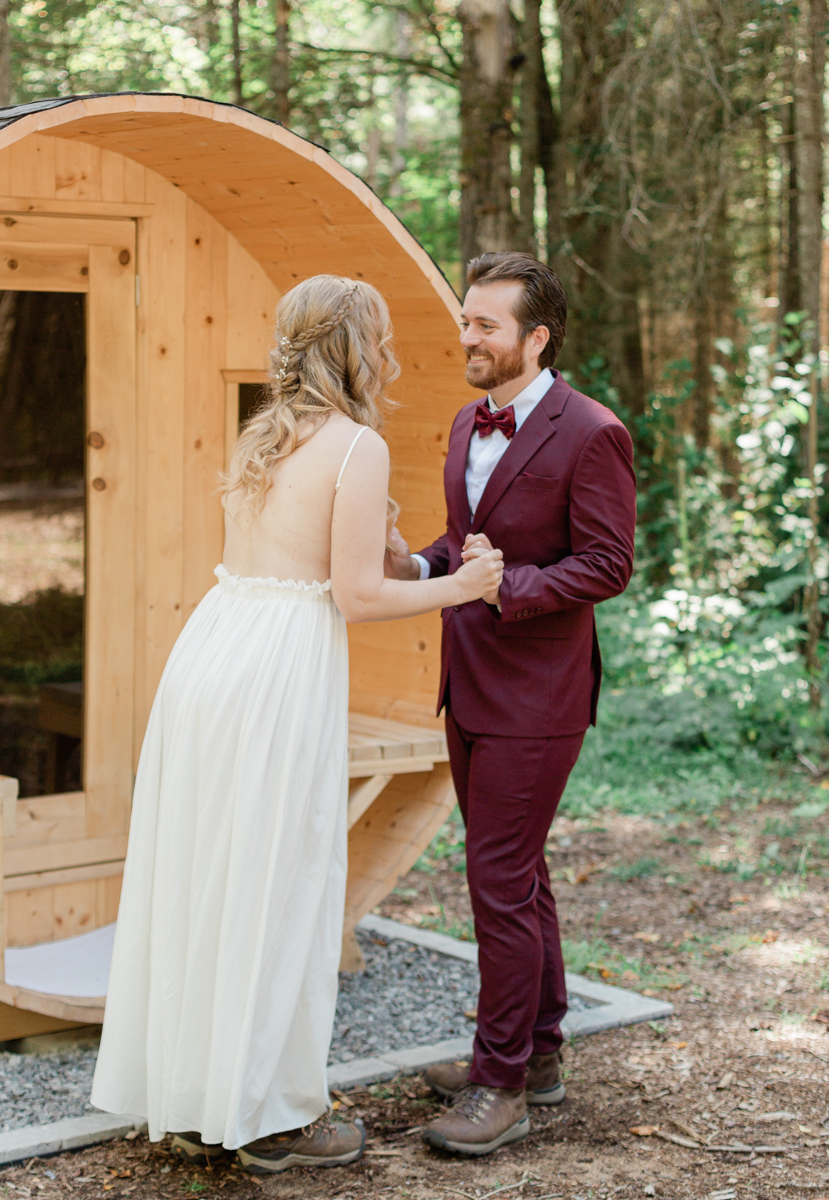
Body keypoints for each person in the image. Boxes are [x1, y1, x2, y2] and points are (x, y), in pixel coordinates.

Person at [90, 275, 504, 1175]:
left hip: (213, 652)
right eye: (383, 336)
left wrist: (392, 551)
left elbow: (308, 553)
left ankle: (201, 1097)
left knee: (211, 876)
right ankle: (272, 1119)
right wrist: (459, 587)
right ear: (360, 347)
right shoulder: (357, 446)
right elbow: (355, 597)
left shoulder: (265, 433)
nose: (391, 351)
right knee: (280, 883)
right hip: (278, 666)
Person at [384, 251, 636, 1156]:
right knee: (517, 875)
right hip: (469, 684)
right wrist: (413, 566)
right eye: (465, 320)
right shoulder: (464, 421)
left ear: (537, 337)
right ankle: (538, 1055)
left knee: (496, 881)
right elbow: (463, 541)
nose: (467, 338)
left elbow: (608, 564)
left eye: (485, 325)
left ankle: (499, 1086)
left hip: (538, 696)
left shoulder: (592, 431)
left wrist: (505, 588)